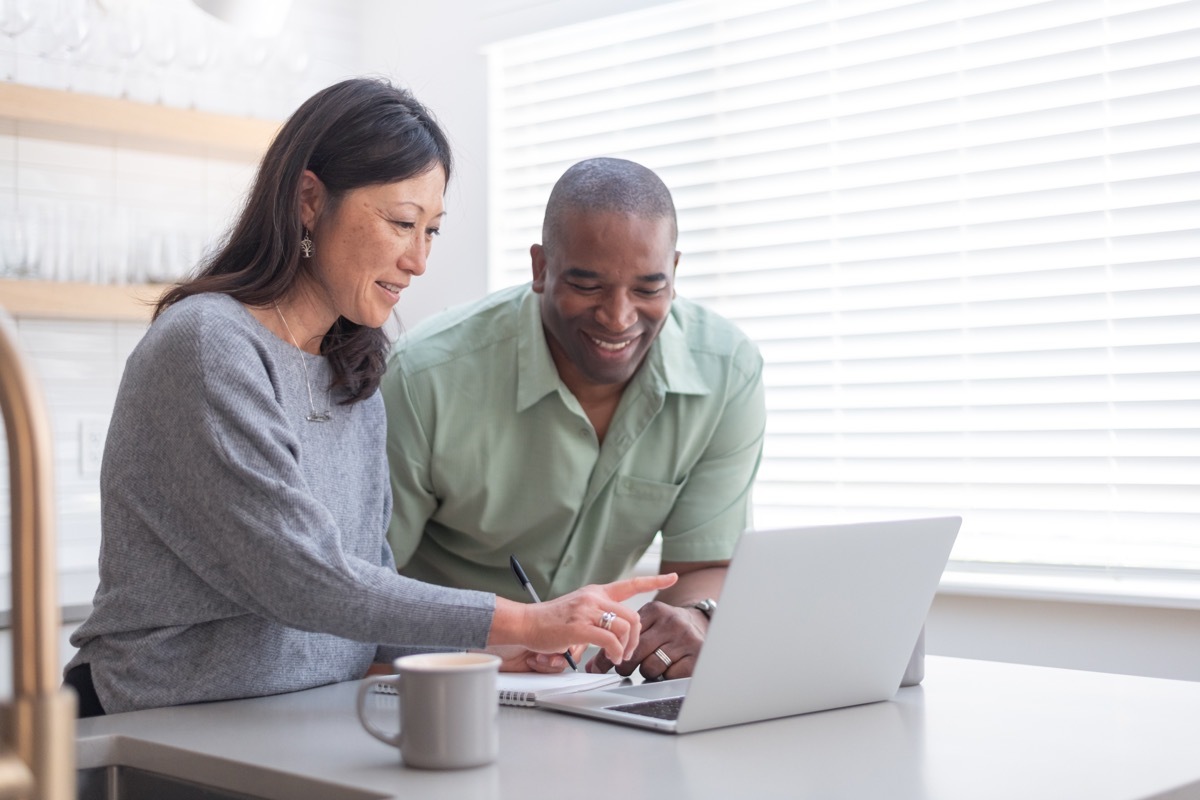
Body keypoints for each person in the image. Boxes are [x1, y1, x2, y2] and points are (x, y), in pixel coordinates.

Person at [62, 80, 674, 717]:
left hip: (298, 724)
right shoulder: (208, 345)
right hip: (161, 727)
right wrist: (523, 621)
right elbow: (303, 580)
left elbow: (364, 598)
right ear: (309, 200)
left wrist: (501, 654)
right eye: (402, 223)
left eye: (432, 230)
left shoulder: (350, 371)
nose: (419, 260)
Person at [384, 157, 766, 680]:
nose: (618, 316)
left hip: (582, 693)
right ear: (541, 268)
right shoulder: (424, 377)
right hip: (438, 681)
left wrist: (694, 618)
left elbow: (704, 566)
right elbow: (360, 585)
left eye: (648, 289)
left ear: (674, 271)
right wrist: (501, 638)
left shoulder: (727, 373)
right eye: (588, 287)